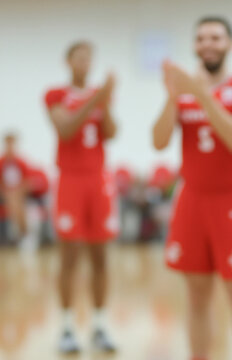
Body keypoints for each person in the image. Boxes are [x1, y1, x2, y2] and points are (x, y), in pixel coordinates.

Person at [152, 16, 232, 360]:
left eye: (216, 37)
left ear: (229, 43)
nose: (208, 44)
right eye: (201, 38)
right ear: (194, 45)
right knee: (196, 296)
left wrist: (200, 92)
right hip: (191, 198)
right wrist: (173, 96)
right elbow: (158, 142)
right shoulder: (183, 91)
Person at [44, 41, 118, 354]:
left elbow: (111, 132)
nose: (85, 62)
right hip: (70, 181)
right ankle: (66, 327)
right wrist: (98, 97)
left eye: (90, 57)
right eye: (79, 56)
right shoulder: (56, 95)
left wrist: (107, 102)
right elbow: (65, 129)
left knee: (100, 256)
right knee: (69, 257)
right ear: (68, 60)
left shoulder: (99, 97)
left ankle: (100, 325)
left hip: (98, 180)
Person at [0, 133, 29, 241]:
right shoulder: (1, 162)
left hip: (17, 193)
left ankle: (21, 232)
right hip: (5, 193)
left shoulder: (21, 162)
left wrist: (19, 191)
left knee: (15, 201)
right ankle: (23, 232)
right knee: (13, 200)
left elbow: (28, 181)